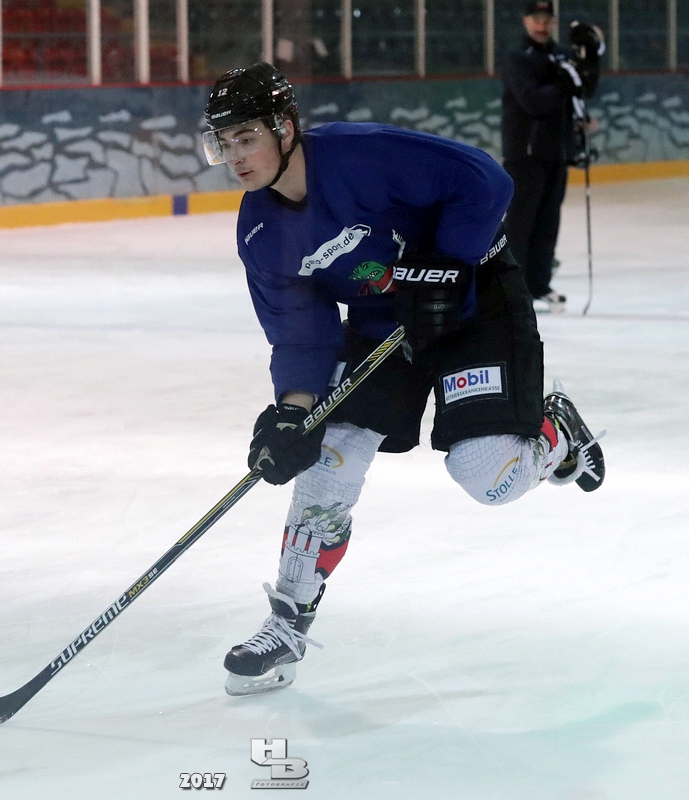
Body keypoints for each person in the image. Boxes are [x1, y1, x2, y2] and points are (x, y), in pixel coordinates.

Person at [202, 63, 606, 696]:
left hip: (475, 302)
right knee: (328, 458)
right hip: (384, 321)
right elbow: (302, 334)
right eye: (224, 142)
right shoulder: (260, 232)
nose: (235, 157)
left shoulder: (361, 156)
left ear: (285, 128)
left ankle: (555, 433)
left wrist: (445, 267)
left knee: (489, 477)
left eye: (246, 137)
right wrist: (292, 415)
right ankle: (287, 623)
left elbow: (485, 180)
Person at [499, 1, 604, 314]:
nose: (542, 25)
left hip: (557, 152)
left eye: (547, 19)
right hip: (525, 154)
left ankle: (539, 284)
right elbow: (533, 101)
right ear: (526, 21)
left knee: (547, 223)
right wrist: (563, 80)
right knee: (521, 223)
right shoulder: (518, 58)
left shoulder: (561, 55)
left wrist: (592, 58)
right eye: (536, 19)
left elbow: (583, 89)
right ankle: (512, 289)